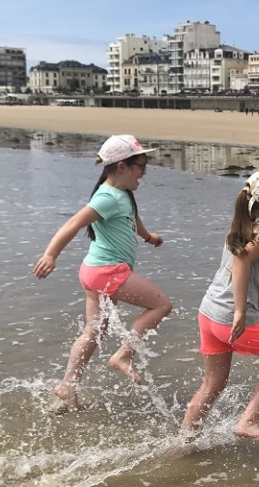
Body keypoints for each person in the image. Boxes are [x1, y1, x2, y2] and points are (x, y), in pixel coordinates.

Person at [33, 134, 173, 411]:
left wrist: (147, 236)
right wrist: (50, 254)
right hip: (107, 271)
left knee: (94, 331)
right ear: (121, 166)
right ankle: (123, 354)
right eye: (140, 165)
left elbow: (132, 218)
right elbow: (73, 223)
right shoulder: (108, 196)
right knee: (162, 305)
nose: (144, 172)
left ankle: (67, 386)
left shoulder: (122, 194)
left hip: (93, 271)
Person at [181, 168, 259, 442]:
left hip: (208, 312)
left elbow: (251, 253)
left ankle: (183, 441)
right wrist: (239, 312)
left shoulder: (244, 226)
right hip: (232, 318)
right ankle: (249, 420)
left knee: (212, 384)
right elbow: (242, 261)